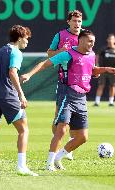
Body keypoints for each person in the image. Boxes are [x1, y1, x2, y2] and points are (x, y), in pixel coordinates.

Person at [20, 30, 115, 171]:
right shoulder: (68, 54)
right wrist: (29, 74)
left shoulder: (91, 55)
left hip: (82, 98)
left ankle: (58, 158)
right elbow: (45, 64)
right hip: (68, 95)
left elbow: (91, 70)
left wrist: (106, 69)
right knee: (61, 130)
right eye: (90, 41)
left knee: (83, 137)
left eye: (94, 41)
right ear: (81, 40)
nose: (92, 44)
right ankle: (49, 164)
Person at [0, 25, 38, 176]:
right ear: (19, 38)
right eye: (26, 38)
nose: (27, 41)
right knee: (24, 129)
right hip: (9, 96)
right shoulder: (16, 52)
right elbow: (12, 72)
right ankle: (21, 167)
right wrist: (21, 95)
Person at [46, 10, 83, 160]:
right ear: (68, 22)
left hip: (80, 82)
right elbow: (49, 53)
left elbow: (89, 56)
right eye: (74, 21)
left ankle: (68, 149)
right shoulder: (60, 35)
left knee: (76, 117)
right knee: (59, 117)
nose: (77, 24)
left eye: (79, 21)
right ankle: (57, 144)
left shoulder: (85, 36)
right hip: (64, 79)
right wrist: (60, 51)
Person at [94, 33, 115, 107]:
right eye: (109, 39)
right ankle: (97, 102)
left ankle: (111, 102)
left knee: (112, 86)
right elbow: (97, 56)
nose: (110, 40)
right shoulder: (103, 49)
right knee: (101, 85)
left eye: (112, 39)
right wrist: (97, 64)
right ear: (107, 40)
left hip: (113, 71)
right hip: (103, 70)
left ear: (114, 40)